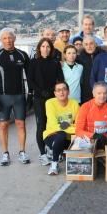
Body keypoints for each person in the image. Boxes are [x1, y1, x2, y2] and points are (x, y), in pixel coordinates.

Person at [0, 27, 32, 166]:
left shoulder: (23, 55)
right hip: (3, 96)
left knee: (20, 124)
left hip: (19, 96)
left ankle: (22, 151)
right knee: (3, 125)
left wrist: (30, 93)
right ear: (1, 40)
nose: (8, 40)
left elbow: (29, 76)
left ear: (15, 39)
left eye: (10, 37)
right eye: (5, 38)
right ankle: (5, 153)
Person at [28, 38, 64, 166]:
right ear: (39, 48)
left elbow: (60, 79)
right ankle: (42, 153)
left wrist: (51, 91)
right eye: (43, 46)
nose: (45, 49)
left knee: (54, 124)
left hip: (53, 98)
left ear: (51, 49)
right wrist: (40, 91)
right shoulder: (33, 63)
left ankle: (52, 149)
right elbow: (30, 80)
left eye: (48, 46)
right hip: (39, 98)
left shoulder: (55, 63)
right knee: (41, 125)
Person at [43, 81, 80, 175]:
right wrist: (72, 127)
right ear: (55, 93)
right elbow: (53, 124)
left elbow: (79, 123)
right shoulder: (49, 103)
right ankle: (54, 164)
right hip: (52, 134)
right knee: (61, 135)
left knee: (78, 137)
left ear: (68, 91)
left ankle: (59, 151)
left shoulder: (74, 103)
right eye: (58, 90)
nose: (62, 92)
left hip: (69, 136)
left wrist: (70, 127)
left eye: (64, 89)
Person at [75, 82, 107, 149]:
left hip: (104, 139)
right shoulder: (85, 107)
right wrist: (94, 135)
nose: (102, 96)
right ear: (93, 94)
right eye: (99, 93)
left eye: (105, 93)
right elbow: (78, 131)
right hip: (88, 140)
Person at [77, 36, 103, 103]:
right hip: (86, 93)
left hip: (101, 92)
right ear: (83, 46)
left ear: (95, 44)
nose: (89, 46)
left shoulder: (103, 55)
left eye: (91, 43)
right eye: (86, 44)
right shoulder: (79, 58)